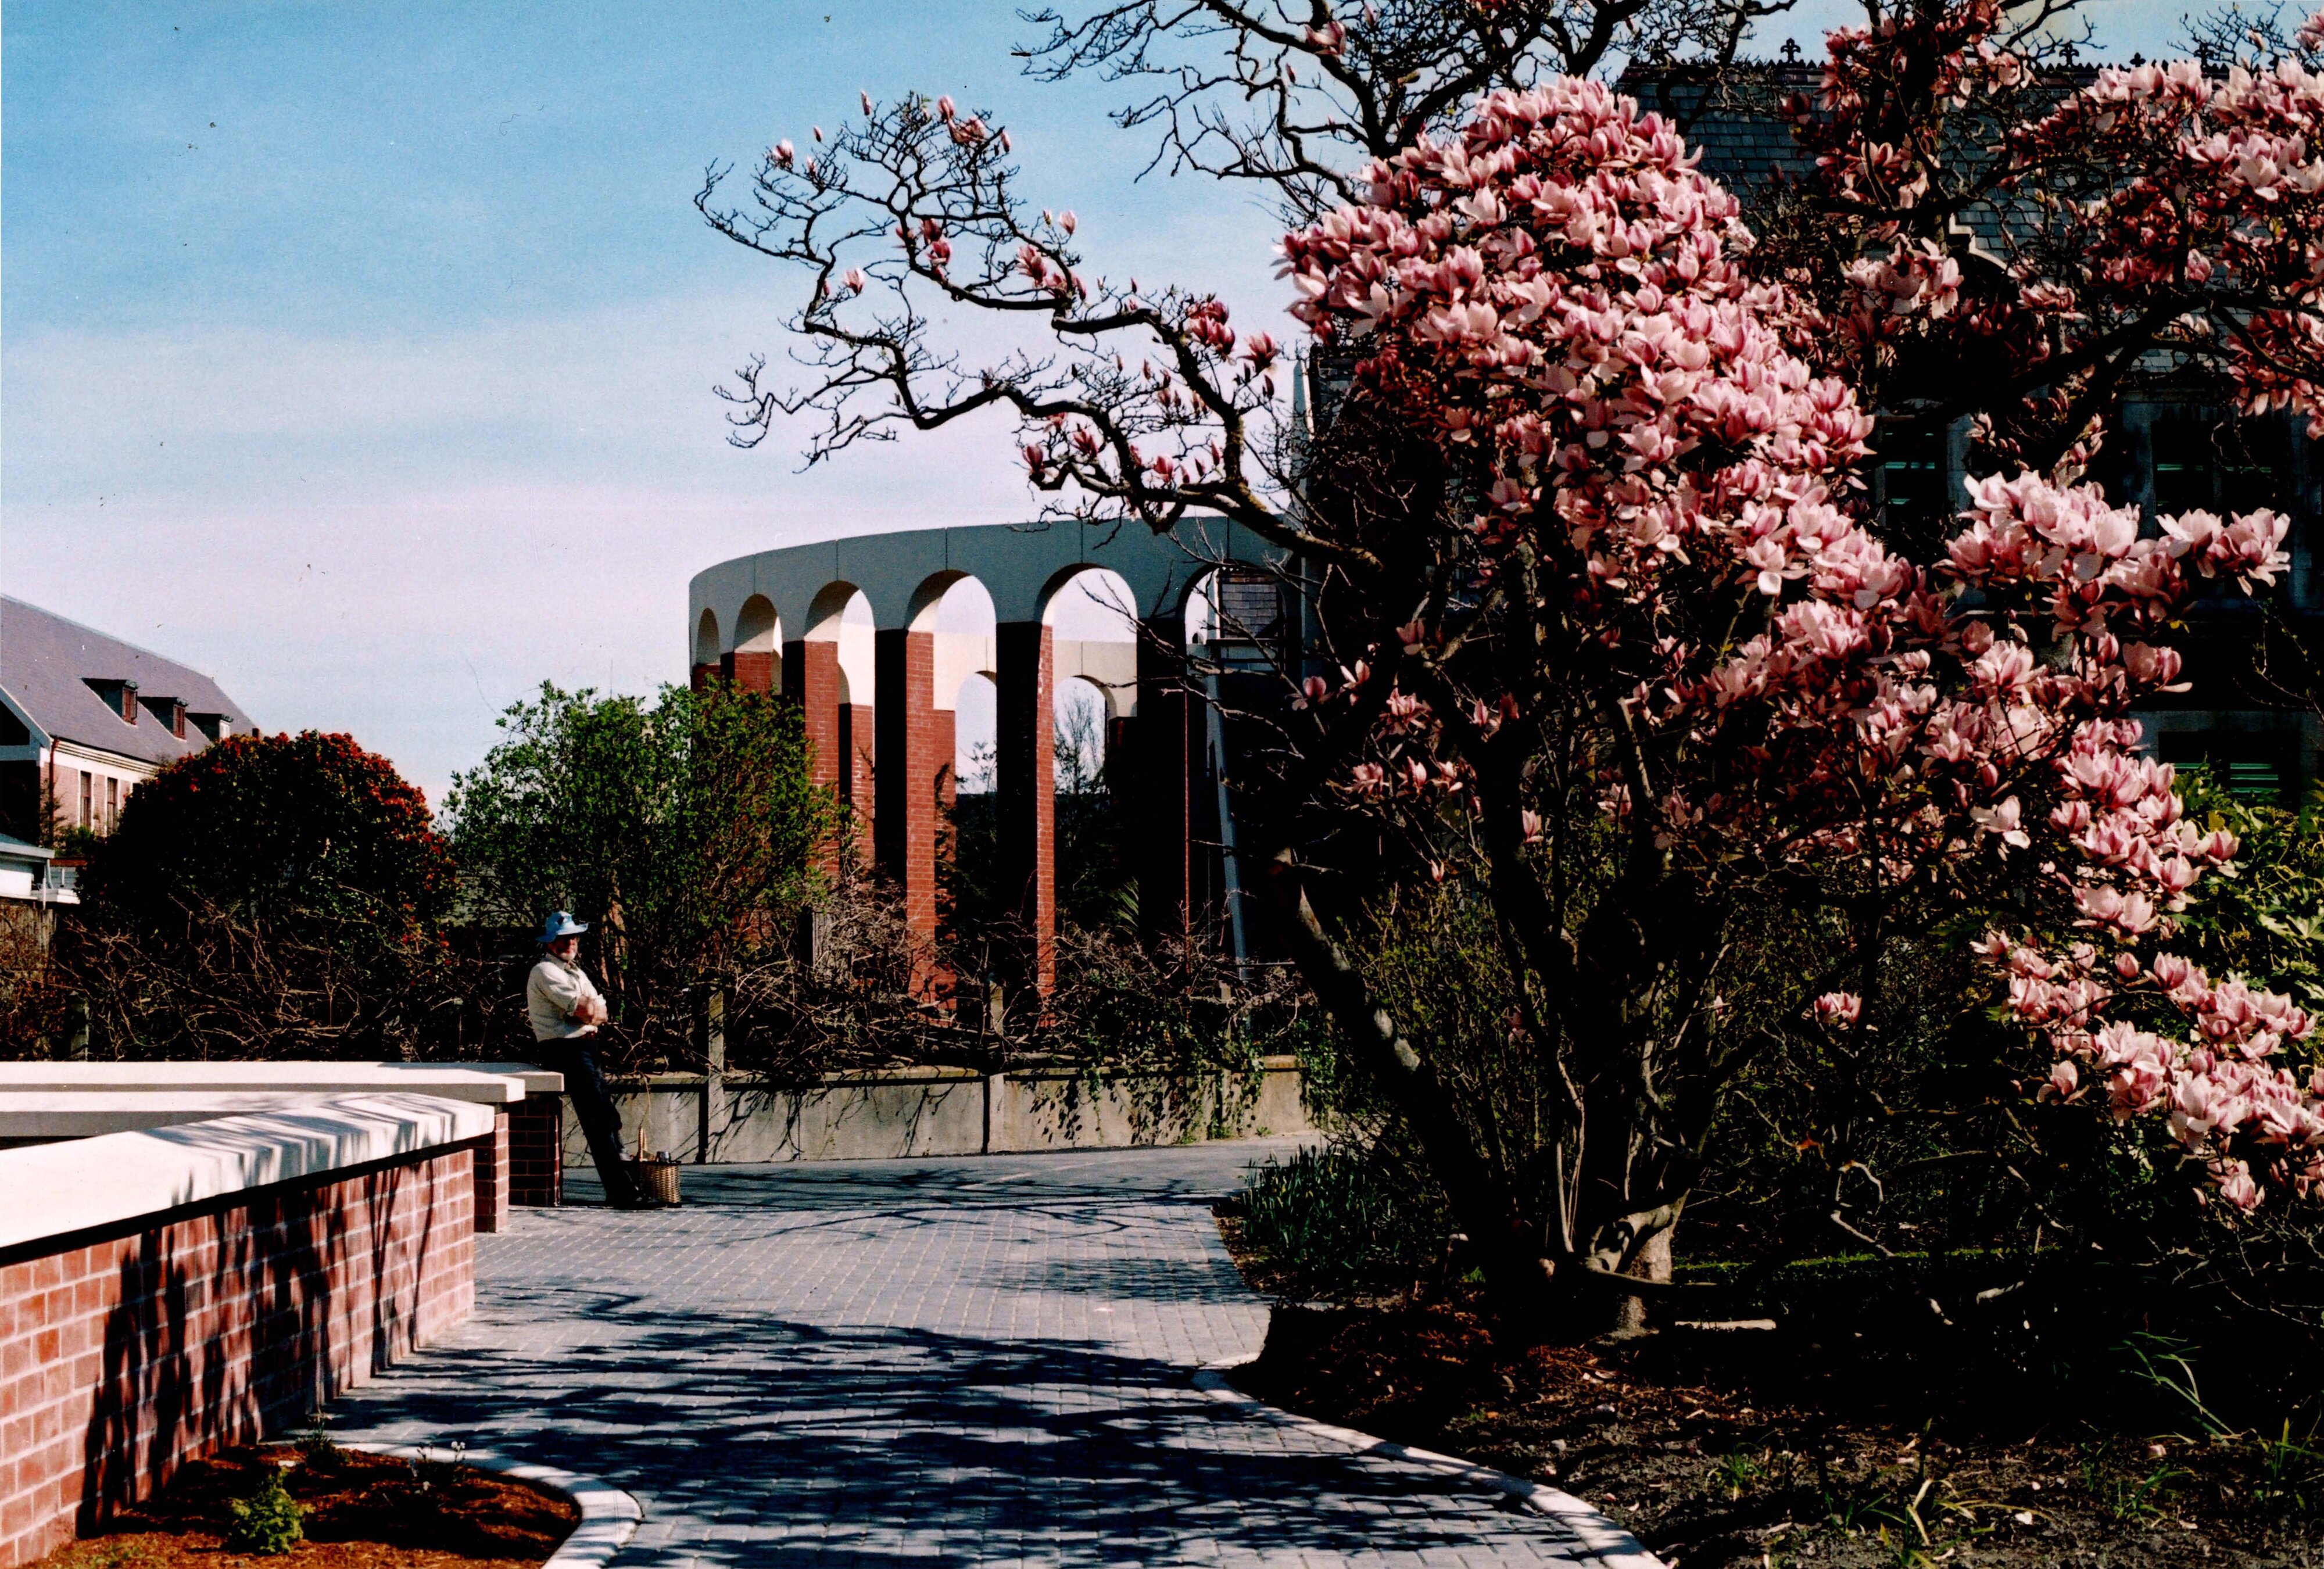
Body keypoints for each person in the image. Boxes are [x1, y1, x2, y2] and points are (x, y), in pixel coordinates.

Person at [527, 911, 643, 1208]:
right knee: (599, 1120)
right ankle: (622, 1193)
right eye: (564, 938)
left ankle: (627, 1188)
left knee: (606, 1115)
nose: (571, 942)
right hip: (564, 1048)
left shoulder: (575, 972)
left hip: (586, 1047)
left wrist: (591, 1009)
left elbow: (600, 1010)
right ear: (551, 942)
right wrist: (591, 1009)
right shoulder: (545, 971)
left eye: (574, 937)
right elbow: (585, 1012)